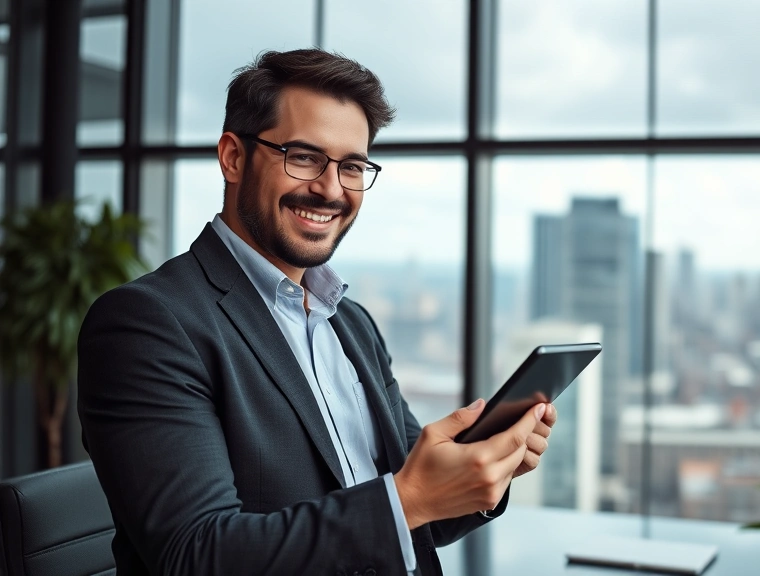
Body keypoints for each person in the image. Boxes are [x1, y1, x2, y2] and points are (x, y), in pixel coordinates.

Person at [77, 48, 557, 576]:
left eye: (352, 166)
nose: (330, 190)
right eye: (303, 157)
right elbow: (195, 553)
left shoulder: (351, 324)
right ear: (233, 157)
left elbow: (420, 517)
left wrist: (481, 469)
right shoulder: (146, 324)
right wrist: (411, 499)